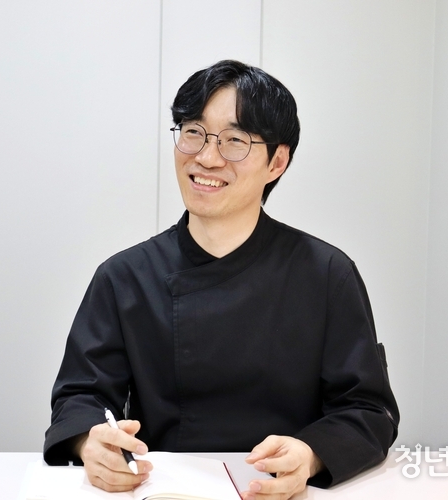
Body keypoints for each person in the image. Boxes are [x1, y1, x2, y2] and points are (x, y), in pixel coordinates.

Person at [43, 60, 399, 500]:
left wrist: (310, 455)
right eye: (193, 131)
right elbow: (81, 397)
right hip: (162, 490)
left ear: (277, 162)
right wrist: (89, 442)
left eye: (234, 140)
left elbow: (368, 409)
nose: (207, 157)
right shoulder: (125, 276)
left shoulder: (326, 273)